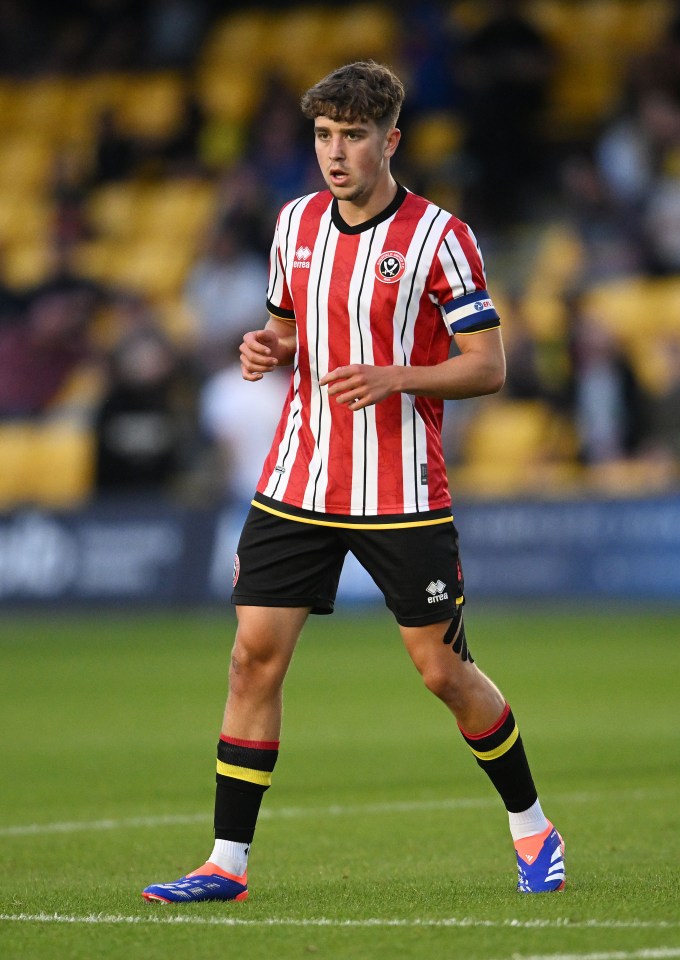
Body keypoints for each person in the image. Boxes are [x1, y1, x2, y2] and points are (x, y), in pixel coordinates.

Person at [142, 60, 565, 904]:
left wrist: (398, 376)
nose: (335, 154)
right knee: (252, 659)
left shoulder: (442, 237)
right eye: (324, 136)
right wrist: (267, 350)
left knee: (442, 672)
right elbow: (291, 333)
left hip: (401, 490)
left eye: (353, 137)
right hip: (297, 478)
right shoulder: (293, 223)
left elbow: (488, 366)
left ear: (390, 140)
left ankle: (533, 826)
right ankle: (227, 863)